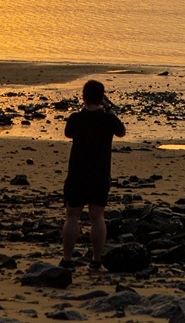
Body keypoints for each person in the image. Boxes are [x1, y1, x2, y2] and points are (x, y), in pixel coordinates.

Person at [61, 79, 126, 272]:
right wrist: (108, 108)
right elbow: (121, 131)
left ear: (83, 97)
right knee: (97, 217)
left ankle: (67, 259)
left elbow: (68, 134)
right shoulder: (108, 119)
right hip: (99, 174)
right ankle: (96, 259)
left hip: (77, 174)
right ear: (101, 98)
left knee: (72, 216)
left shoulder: (76, 119)